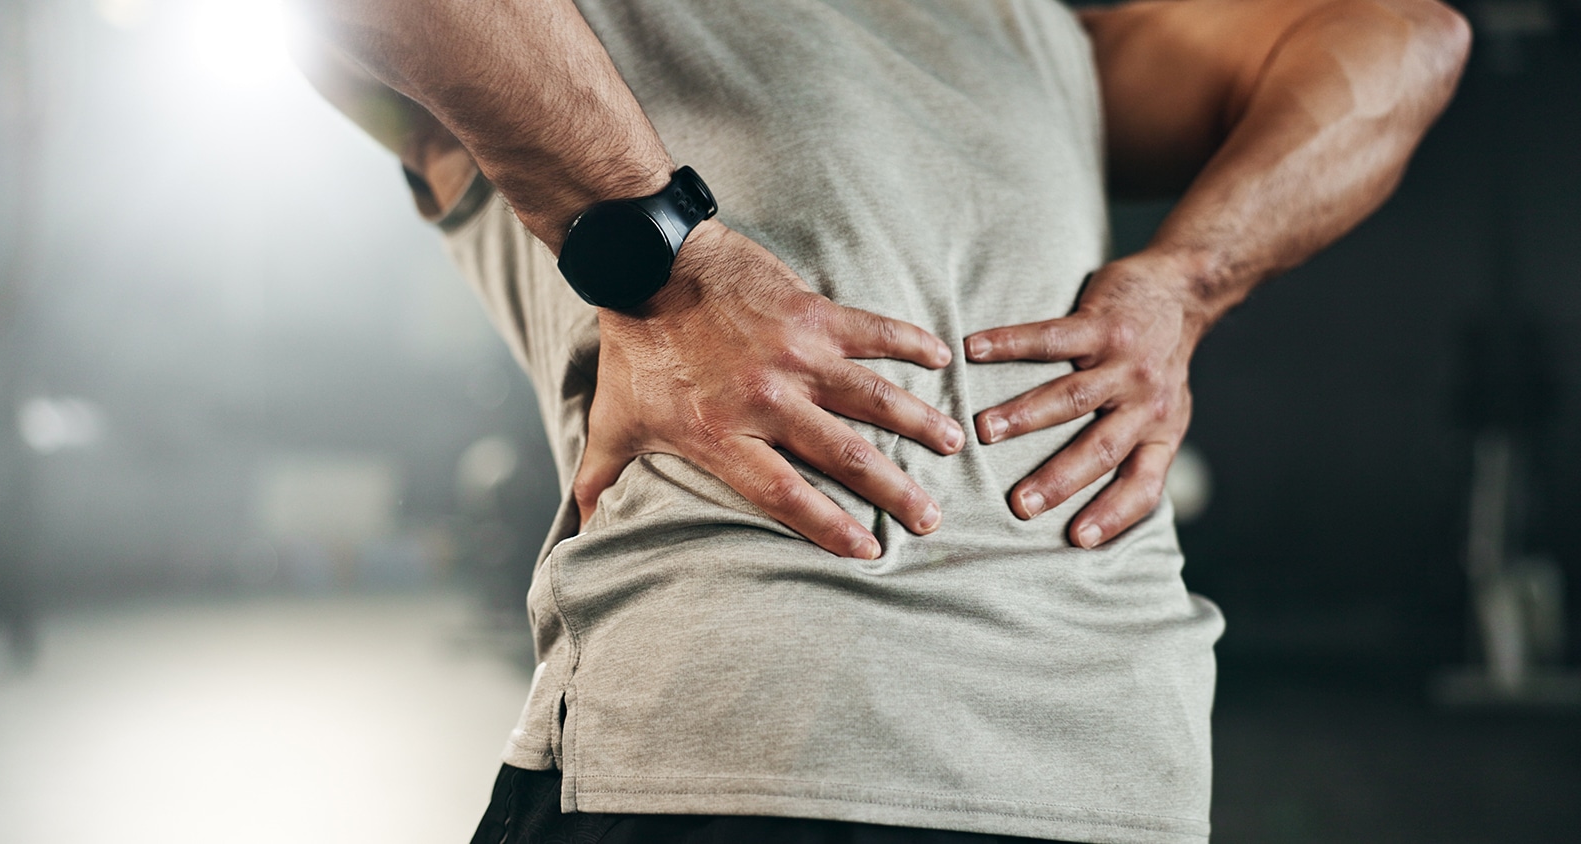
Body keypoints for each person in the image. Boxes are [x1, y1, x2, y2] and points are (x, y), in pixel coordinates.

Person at [290, 1, 1469, 841]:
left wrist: (1187, 283)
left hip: (1111, 756)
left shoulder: (1042, 31)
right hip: (751, 742)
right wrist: (674, 263)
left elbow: (1406, 36)